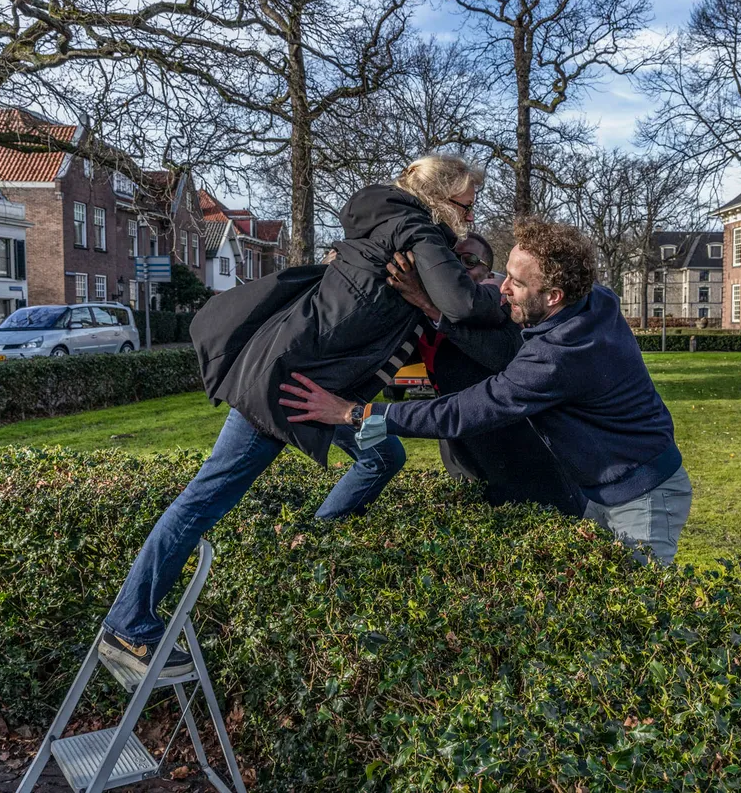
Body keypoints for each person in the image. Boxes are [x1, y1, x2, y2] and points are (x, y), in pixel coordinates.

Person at [99, 155, 505, 677]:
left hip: (314, 385)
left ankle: (316, 540)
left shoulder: (390, 226)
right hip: (286, 386)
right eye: (467, 205)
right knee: (205, 498)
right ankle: (128, 625)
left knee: (383, 453)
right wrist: (503, 305)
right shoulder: (414, 229)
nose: (471, 217)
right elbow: (463, 303)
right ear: (442, 198)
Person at [281, 217, 692, 565]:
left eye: (515, 282)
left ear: (552, 296)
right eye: (505, 273)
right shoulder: (594, 298)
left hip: (644, 499)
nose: (501, 288)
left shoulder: (557, 357)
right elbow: (492, 302)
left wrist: (356, 414)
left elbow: (463, 411)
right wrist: (432, 302)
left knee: (637, 624)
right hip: (599, 487)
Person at [409, 234, 586, 516]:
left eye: (467, 261)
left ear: (488, 274)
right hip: (461, 447)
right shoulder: (422, 315)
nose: (456, 269)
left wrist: (432, 310)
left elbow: (505, 356)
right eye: (449, 262)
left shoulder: (505, 309)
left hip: (517, 451)